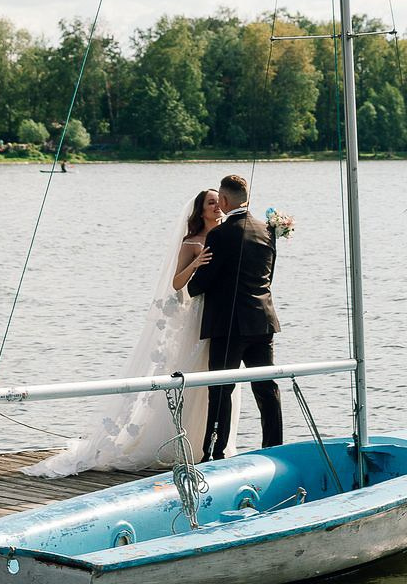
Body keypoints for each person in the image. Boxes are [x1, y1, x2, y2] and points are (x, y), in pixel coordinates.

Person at [24, 189, 234, 476]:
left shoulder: (228, 237)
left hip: (219, 317)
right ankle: (172, 441)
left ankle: (204, 444)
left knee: (215, 381)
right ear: (200, 211)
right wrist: (196, 264)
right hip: (196, 315)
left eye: (218, 202)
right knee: (192, 375)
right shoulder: (191, 242)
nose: (217, 207)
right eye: (211, 203)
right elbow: (176, 283)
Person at [187, 173, 284, 459]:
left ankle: (214, 453)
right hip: (262, 320)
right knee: (266, 387)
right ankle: (275, 447)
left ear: (225, 200)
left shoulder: (219, 235)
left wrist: (195, 276)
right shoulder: (267, 230)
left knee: (220, 389)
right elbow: (269, 276)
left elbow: (199, 285)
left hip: (228, 325)